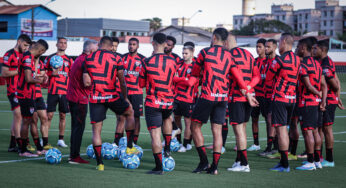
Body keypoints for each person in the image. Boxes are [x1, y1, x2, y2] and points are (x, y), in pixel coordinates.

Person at [188, 28, 258, 175]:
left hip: (207, 96)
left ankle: (203, 162)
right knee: (217, 131)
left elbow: (194, 75)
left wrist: (185, 82)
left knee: (194, 126)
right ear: (225, 41)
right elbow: (238, 76)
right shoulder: (229, 55)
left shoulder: (205, 52)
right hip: (222, 98)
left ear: (214, 37)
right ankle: (214, 167)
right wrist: (249, 94)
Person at [83, 36, 138, 171]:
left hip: (96, 97)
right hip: (112, 95)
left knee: (96, 131)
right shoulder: (117, 58)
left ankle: (100, 164)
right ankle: (130, 147)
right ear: (110, 45)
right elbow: (122, 82)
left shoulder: (89, 58)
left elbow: (86, 82)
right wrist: (125, 98)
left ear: (100, 44)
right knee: (130, 112)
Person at [139, 33, 176, 175]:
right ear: (166, 43)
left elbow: (141, 84)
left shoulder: (147, 61)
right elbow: (174, 80)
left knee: (155, 135)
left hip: (153, 102)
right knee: (167, 119)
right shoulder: (173, 61)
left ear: (153, 43)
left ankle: (159, 167)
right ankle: (167, 148)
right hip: (168, 102)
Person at [225, 34, 260, 172]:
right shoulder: (248, 54)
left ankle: (244, 164)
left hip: (237, 97)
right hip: (248, 96)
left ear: (226, 43)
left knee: (239, 131)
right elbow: (257, 76)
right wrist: (249, 90)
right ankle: (239, 160)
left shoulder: (229, 55)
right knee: (242, 130)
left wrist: (245, 91)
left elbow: (236, 76)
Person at [266, 33, 300, 172]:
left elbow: (268, 77)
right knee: (285, 128)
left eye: (279, 42)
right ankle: (284, 161)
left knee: (281, 131)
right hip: (292, 99)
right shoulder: (298, 59)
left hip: (280, 98)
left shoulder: (280, 60)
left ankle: (284, 164)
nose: (279, 45)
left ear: (284, 41)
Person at [295, 38, 327, 170]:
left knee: (308, 132)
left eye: (298, 47)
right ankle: (317, 160)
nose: (296, 50)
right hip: (316, 103)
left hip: (307, 102)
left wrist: (318, 95)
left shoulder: (303, 65)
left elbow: (308, 86)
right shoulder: (317, 64)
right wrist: (323, 100)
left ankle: (310, 162)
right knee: (315, 132)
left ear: (303, 48)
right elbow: (324, 85)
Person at [313, 40, 344, 167]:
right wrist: (338, 97)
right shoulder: (322, 61)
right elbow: (337, 80)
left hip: (328, 101)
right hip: (325, 100)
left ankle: (330, 160)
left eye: (315, 49)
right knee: (320, 128)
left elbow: (335, 84)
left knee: (327, 129)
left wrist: (335, 96)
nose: (313, 51)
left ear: (322, 49)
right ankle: (319, 157)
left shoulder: (326, 64)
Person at [67, 40, 98, 164]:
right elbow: (86, 82)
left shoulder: (79, 58)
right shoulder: (86, 61)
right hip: (80, 98)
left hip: (73, 97)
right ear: (91, 50)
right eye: (96, 50)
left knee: (76, 127)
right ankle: (74, 156)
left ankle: (73, 155)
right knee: (78, 128)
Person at [17, 39, 49, 157]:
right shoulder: (27, 57)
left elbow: (32, 75)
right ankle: (23, 150)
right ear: (41, 50)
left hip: (30, 94)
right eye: (43, 52)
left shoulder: (30, 58)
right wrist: (39, 81)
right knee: (26, 121)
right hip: (25, 94)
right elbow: (28, 79)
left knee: (30, 120)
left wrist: (40, 77)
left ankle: (39, 148)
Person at [1, 34, 31, 152]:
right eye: (24, 45)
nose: (25, 48)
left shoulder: (25, 56)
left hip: (23, 91)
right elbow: (4, 73)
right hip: (13, 90)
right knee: (18, 115)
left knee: (20, 117)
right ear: (19, 41)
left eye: (27, 46)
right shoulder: (9, 54)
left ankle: (12, 144)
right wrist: (20, 71)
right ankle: (19, 144)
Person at [45, 37, 74, 148]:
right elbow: (44, 73)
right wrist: (52, 73)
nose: (62, 45)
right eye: (61, 43)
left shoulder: (69, 60)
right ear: (57, 44)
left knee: (63, 115)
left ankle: (60, 139)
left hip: (65, 92)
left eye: (65, 43)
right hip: (52, 91)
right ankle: (45, 139)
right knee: (49, 116)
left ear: (66, 45)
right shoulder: (49, 58)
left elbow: (72, 76)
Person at [173, 44, 198, 153]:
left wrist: (179, 79)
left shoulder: (195, 66)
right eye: (183, 53)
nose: (184, 55)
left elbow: (190, 83)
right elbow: (173, 78)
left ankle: (185, 144)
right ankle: (178, 142)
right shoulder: (178, 64)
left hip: (189, 99)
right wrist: (184, 79)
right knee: (176, 119)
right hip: (177, 97)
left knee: (188, 122)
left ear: (192, 54)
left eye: (186, 53)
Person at [122, 38, 146, 145]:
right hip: (124, 93)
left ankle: (134, 142)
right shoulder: (122, 58)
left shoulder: (143, 60)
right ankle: (119, 141)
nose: (131, 46)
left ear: (138, 46)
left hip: (137, 93)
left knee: (136, 117)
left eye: (134, 44)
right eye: (130, 44)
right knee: (122, 117)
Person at [258, 39, 279, 157]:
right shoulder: (264, 62)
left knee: (271, 120)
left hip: (275, 96)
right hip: (264, 96)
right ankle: (274, 146)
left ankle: (270, 147)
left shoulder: (278, 61)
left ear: (275, 47)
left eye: (268, 47)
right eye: (265, 47)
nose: (266, 49)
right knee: (268, 121)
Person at [248, 38, 267, 152]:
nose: (257, 49)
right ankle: (256, 144)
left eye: (260, 47)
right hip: (255, 95)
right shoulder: (254, 61)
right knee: (254, 119)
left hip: (266, 96)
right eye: (257, 47)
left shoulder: (270, 61)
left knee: (268, 121)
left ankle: (271, 145)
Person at [111, 37, 126, 146]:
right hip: (104, 92)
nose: (114, 48)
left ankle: (117, 141)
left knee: (121, 116)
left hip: (117, 92)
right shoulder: (101, 57)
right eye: (112, 45)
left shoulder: (120, 58)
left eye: (116, 46)